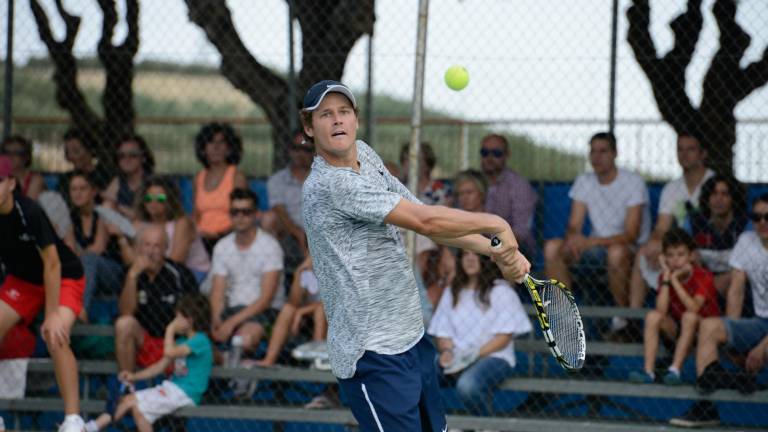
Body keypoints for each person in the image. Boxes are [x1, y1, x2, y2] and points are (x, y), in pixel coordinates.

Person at [300, 80, 528, 431]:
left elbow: (424, 214)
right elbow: (425, 221)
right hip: (372, 355)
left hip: (411, 339)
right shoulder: (332, 185)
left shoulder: (365, 155)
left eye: (344, 111)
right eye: (325, 114)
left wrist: (493, 249)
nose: (337, 121)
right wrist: (497, 225)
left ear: (356, 119)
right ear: (308, 127)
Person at [0, 155, 87, 431]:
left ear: (11, 183)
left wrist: (51, 315)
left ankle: (73, 420)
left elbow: (52, 264)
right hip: (24, 281)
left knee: (56, 334)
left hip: (63, 276)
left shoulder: (30, 212)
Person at [669, 194, 768, 428]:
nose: (762, 222)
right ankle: (706, 407)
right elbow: (736, 289)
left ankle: (735, 380)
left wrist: (762, 347)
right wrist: (732, 333)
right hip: (761, 321)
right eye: (756, 217)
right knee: (710, 326)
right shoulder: (747, 241)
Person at [543, 132, 651, 325]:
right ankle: (568, 319)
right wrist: (573, 238)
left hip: (627, 249)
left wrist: (590, 241)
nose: (597, 157)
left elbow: (631, 235)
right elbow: (574, 225)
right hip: (594, 248)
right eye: (593, 151)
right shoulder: (584, 180)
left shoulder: (633, 182)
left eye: (603, 151)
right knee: (552, 247)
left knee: (616, 253)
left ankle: (624, 320)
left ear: (615, 153)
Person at [85, 293, 213, 432]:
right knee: (138, 411)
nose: (175, 321)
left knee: (130, 402)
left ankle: (90, 428)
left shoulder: (200, 340)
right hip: (173, 389)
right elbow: (159, 366)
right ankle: (90, 427)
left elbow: (169, 352)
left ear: (189, 320)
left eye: (178, 317)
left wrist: (169, 329)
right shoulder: (181, 341)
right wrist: (134, 376)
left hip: (185, 393)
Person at [429, 250, 532, 416]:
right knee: (424, 374)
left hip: (494, 357)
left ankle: (485, 425)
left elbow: (503, 338)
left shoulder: (502, 291)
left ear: (485, 259)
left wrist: (472, 355)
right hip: (457, 356)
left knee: (468, 385)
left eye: (475, 254)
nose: (469, 259)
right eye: (465, 254)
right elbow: (442, 331)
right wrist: (448, 352)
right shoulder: (453, 291)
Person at [628, 133, 714, 310]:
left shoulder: (714, 184)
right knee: (644, 253)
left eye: (690, 149)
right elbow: (662, 227)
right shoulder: (672, 188)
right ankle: (631, 319)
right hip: (680, 246)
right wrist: (655, 243)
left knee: (686, 256)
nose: (684, 154)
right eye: (680, 149)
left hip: (708, 245)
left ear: (703, 153)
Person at [628, 228, 719, 385]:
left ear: (690, 256)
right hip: (678, 330)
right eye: (670, 255)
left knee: (689, 317)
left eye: (681, 254)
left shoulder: (703, 275)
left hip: (702, 333)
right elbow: (661, 310)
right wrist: (667, 277)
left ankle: (674, 370)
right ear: (664, 258)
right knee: (652, 316)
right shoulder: (665, 276)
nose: (675, 260)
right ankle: (648, 372)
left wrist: (675, 281)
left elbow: (694, 308)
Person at [114, 225, 198, 375]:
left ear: (166, 249)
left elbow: (194, 316)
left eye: (157, 246)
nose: (151, 252)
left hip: (174, 341)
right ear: (138, 248)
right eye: (147, 245)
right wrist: (133, 276)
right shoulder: (128, 273)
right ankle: (127, 385)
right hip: (143, 341)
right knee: (124, 324)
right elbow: (126, 311)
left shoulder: (180, 274)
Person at [209, 188, 284, 355]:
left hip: (264, 312)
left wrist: (230, 323)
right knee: (202, 337)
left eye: (246, 212)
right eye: (235, 212)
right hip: (232, 309)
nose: (240, 217)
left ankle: (237, 380)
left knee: (244, 338)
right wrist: (217, 319)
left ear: (257, 214)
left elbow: (265, 299)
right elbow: (217, 293)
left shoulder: (270, 246)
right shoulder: (222, 247)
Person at [63, 171, 125, 320]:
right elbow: (70, 250)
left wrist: (79, 254)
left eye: (83, 189)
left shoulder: (103, 212)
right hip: (84, 270)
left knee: (90, 259)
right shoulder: (69, 217)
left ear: (93, 191)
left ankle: (81, 310)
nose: (77, 194)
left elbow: (98, 248)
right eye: (74, 189)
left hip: (111, 272)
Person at [684, 174, 748, 315]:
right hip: (700, 280)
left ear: (734, 198)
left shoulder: (745, 224)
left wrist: (718, 281)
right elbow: (683, 252)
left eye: (725, 194)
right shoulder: (694, 221)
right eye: (713, 193)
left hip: (735, 282)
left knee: (739, 275)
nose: (718, 199)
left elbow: (751, 262)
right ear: (707, 197)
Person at [135, 176, 210, 282]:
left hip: (194, 273)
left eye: (160, 199)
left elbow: (176, 261)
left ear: (170, 200)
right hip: (157, 273)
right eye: (148, 198)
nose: (153, 202)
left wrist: (147, 264)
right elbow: (133, 259)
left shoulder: (182, 223)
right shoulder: (139, 224)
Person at [255, 255, 326, 367]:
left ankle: (317, 360)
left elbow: (335, 303)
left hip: (331, 315)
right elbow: (294, 301)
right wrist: (301, 271)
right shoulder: (309, 271)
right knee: (288, 309)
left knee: (320, 311)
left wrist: (302, 312)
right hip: (309, 314)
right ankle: (269, 360)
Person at [192, 122, 248, 255]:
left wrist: (220, 234)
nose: (216, 147)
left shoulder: (236, 176)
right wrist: (197, 232)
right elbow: (196, 214)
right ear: (203, 149)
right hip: (201, 237)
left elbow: (243, 212)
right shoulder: (198, 177)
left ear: (229, 149)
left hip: (229, 236)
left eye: (221, 142)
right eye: (210, 142)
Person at [479, 134, 538, 257]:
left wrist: (492, 247)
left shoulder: (518, 185)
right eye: (485, 152)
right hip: (476, 244)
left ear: (507, 154)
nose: (489, 158)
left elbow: (520, 232)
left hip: (513, 247)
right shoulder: (475, 181)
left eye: (496, 153)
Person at [263, 131, 312, 273]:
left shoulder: (326, 178)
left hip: (319, 230)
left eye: (306, 149)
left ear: (315, 152)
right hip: (289, 232)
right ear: (290, 151)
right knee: (269, 219)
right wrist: (299, 234)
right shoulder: (277, 180)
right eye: (296, 148)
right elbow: (279, 211)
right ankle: (273, 271)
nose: (300, 154)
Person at [102, 134, 156, 220]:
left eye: (133, 155)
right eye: (121, 156)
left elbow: (141, 215)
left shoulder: (152, 181)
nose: (127, 159)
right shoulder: (119, 180)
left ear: (143, 157)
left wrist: (118, 207)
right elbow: (106, 206)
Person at [58, 128, 112, 205]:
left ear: (90, 150)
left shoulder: (104, 177)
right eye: (67, 152)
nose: (70, 156)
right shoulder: (65, 179)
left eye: (76, 151)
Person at [1, 135, 45, 200]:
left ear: (26, 157)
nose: (10, 156)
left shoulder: (35, 179)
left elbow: (28, 207)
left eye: (16, 153)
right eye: (7, 152)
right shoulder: (2, 177)